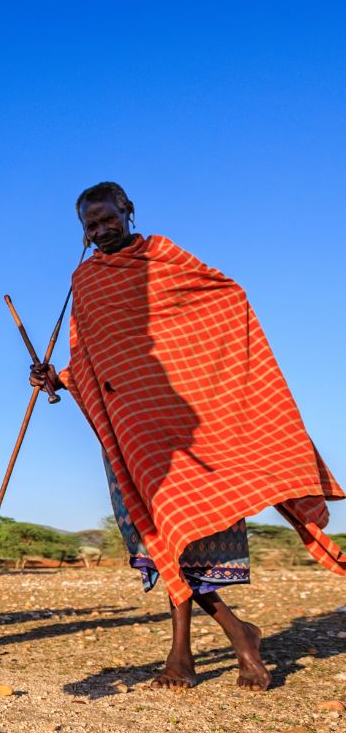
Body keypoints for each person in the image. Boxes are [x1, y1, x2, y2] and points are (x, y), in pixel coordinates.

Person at [30, 183, 345, 690]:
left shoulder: (162, 256)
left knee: (183, 527)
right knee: (162, 534)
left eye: (108, 219)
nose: (100, 230)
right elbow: (92, 358)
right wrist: (58, 378)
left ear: (128, 211)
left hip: (187, 429)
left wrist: (199, 367)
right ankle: (221, 639)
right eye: (90, 227)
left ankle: (203, 648)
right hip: (130, 428)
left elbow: (225, 297)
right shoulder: (85, 280)